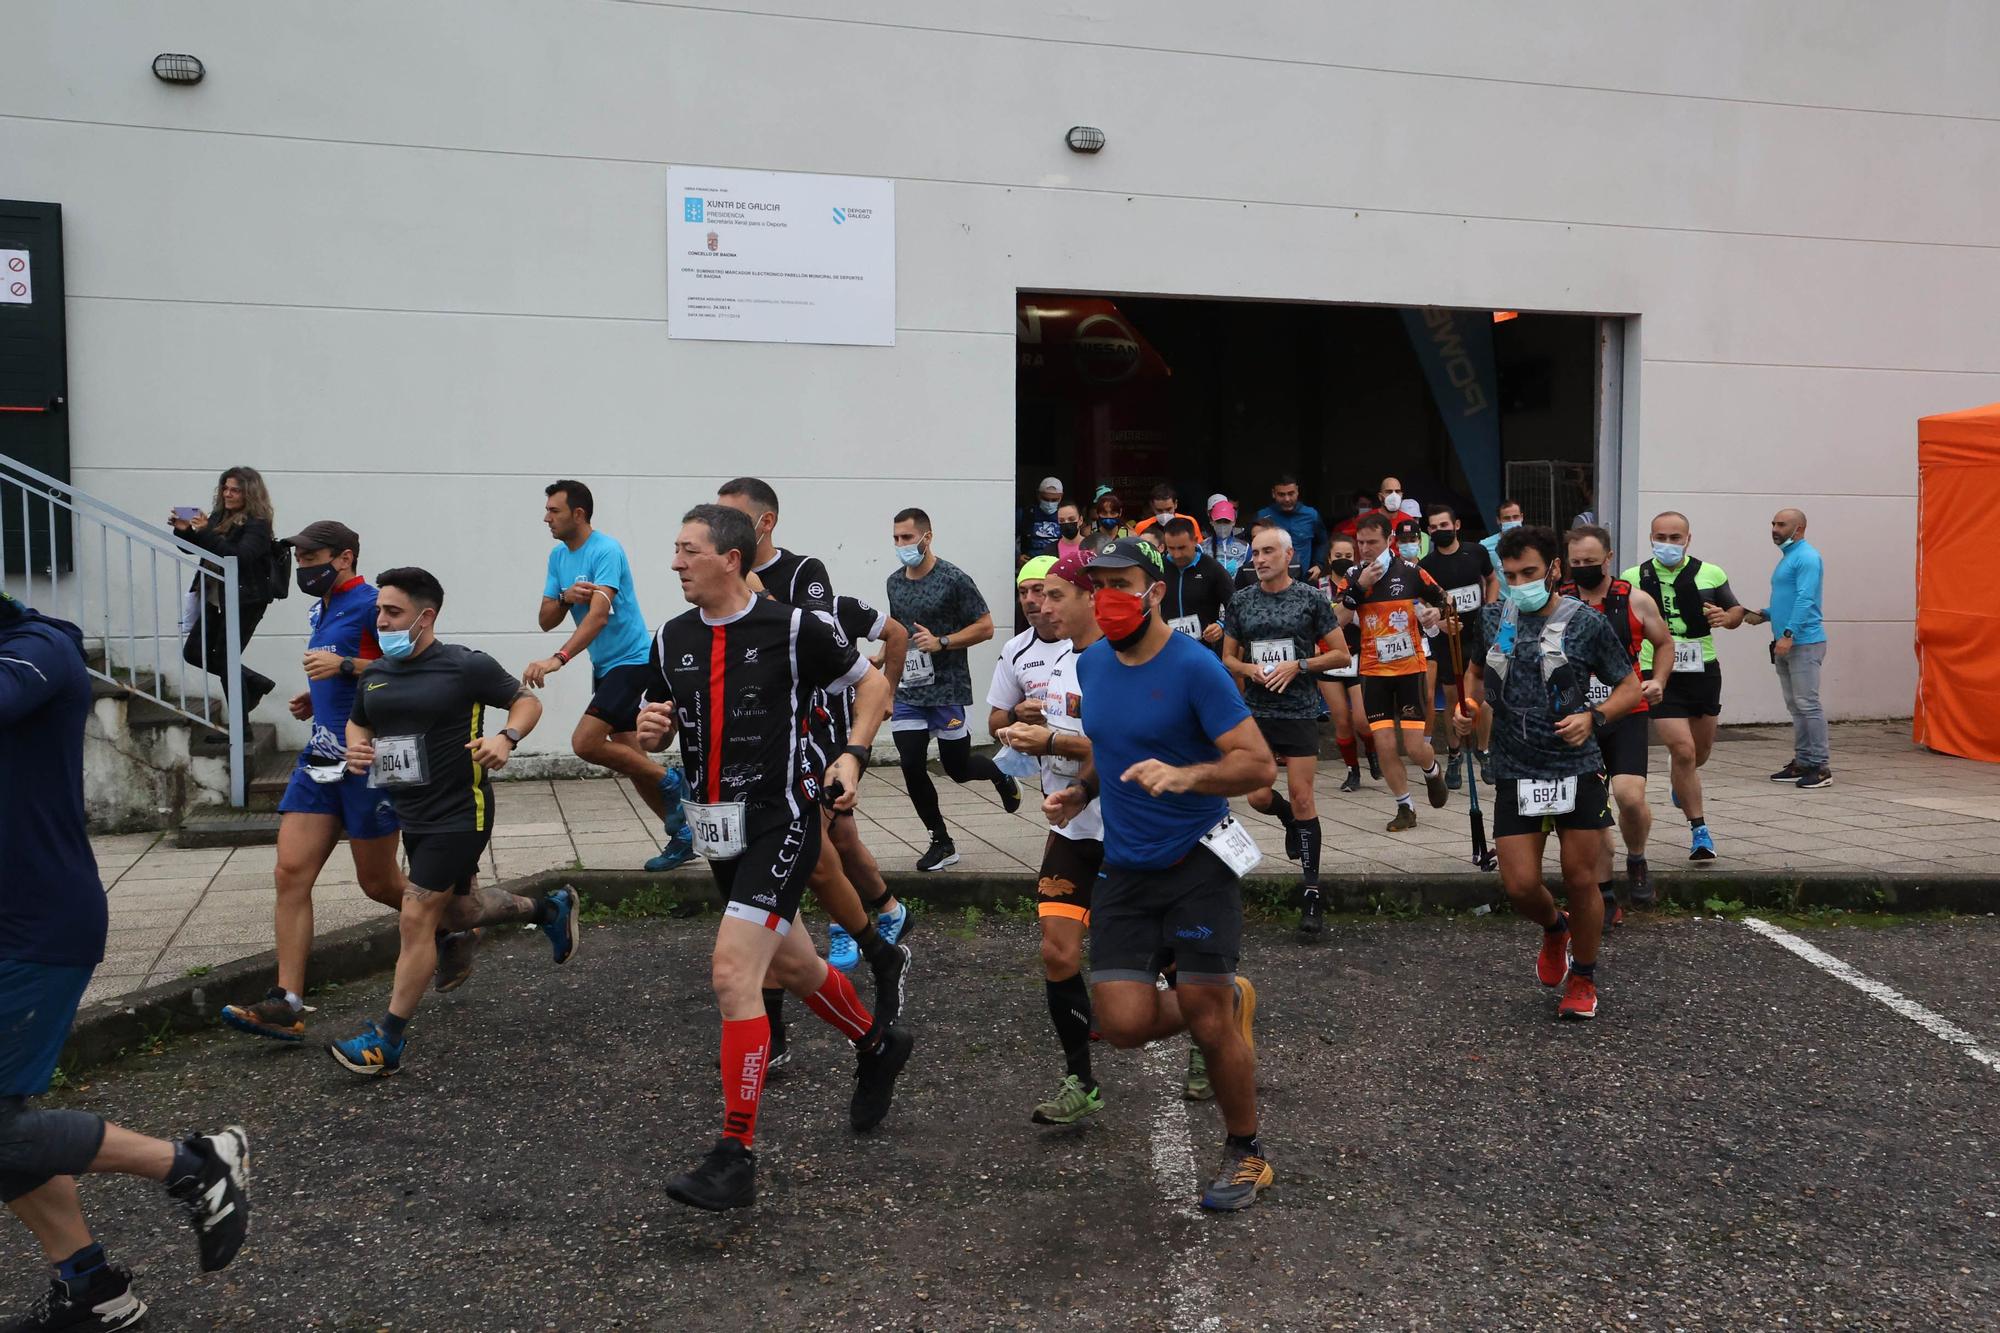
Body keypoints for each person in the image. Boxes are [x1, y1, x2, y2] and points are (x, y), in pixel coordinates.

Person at [634, 505, 910, 1211]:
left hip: (781, 822)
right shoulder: (672, 637)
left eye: (687, 550)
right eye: (674, 549)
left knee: (733, 974)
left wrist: (851, 755)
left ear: (730, 557)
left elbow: (872, 685)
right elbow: (657, 725)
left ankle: (736, 1153)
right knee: (793, 964)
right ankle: (877, 1045)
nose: (674, 563)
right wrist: (652, 727)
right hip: (717, 828)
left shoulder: (795, 628)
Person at [1, 590, 252, 1329]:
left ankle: (196, 1162)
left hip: (36, 924)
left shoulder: (41, 647)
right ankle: (92, 1287)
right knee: (5, 1125)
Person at [1044, 537, 1276, 1211]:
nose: (1107, 593)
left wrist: (1188, 775)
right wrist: (1081, 793)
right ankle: (1232, 998)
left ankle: (1246, 1151)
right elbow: (1113, 745)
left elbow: (1257, 764)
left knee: (1205, 1016)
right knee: (1119, 1022)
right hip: (1126, 868)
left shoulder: (1195, 666)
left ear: (1152, 591)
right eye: (1099, 582)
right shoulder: (1091, 665)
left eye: (1122, 580)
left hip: (1198, 859)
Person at [329, 567, 581, 1075]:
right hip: (412, 814)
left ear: (426, 617)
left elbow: (526, 701)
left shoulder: (465, 666)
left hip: (461, 812)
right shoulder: (377, 673)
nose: (382, 620)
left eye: (393, 612)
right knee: (460, 912)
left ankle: (387, 1040)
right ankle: (550, 909)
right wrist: (356, 742)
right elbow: (361, 717)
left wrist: (505, 738)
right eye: (380, 611)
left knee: (416, 914)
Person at [220, 521, 411, 1042]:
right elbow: (344, 675)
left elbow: (407, 667)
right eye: (300, 560)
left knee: (380, 885)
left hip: (366, 761)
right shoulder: (322, 605)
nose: (303, 567)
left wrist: (344, 666)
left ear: (344, 557)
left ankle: (459, 919)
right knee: (290, 872)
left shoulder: (376, 604)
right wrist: (317, 699)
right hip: (320, 759)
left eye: (312, 558)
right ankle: (287, 1001)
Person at [1453, 526, 1641, 1021]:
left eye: (1530, 573)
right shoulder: (1493, 618)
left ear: (1555, 570)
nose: (1519, 583)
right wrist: (1468, 707)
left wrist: (1594, 718)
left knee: (1582, 878)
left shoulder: (1587, 623)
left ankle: (1584, 977)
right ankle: (1555, 928)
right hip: (1515, 768)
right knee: (1517, 885)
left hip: (1575, 766)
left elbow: (1630, 686)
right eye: (1510, 575)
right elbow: (1475, 674)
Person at [990, 552, 1107, 1125]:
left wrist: (1054, 743)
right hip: (1075, 828)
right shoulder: (1055, 661)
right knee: (1057, 952)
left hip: (1134, 830)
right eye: (1037, 594)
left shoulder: (1119, 661)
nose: (1041, 604)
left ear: (1090, 596)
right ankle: (1080, 1078)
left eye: (1056, 594)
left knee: (1164, 960)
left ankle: (1206, 1038)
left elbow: (1124, 746)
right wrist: (1029, 726)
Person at [522, 481, 684, 869]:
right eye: (546, 510)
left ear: (578, 514)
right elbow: (545, 619)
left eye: (554, 511)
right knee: (631, 760)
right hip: (606, 667)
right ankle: (683, 836)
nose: (546, 518)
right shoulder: (558, 557)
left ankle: (673, 780)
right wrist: (565, 597)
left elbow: (598, 615)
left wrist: (557, 660)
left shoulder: (606, 550)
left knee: (585, 742)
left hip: (633, 663)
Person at [1222, 526, 1345, 935]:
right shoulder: (1241, 601)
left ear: (1288, 554)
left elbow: (1341, 653)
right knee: (1258, 796)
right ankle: (1288, 821)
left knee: (1303, 795)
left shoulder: (1311, 598)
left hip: (1299, 709)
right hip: (1257, 710)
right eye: (1255, 553)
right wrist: (1248, 669)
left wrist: (1301, 665)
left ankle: (1311, 893)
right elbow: (1228, 659)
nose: (1259, 559)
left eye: (1268, 552)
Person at [886, 507, 1020, 871]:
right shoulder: (894, 582)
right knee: (911, 763)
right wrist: (880, 661)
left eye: (907, 538)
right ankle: (941, 840)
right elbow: (899, 634)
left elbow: (986, 626)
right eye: (896, 538)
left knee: (956, 768)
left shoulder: (954, 579)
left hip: (947, 688)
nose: (900, 545)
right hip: (910, 691)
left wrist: (943, 641)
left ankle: (998, 773)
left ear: (927, 538)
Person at [1560, 526, 1673, 917]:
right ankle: (1603, 893)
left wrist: (1658, 680)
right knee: (1591, 810)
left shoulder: (1635, 600)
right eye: (1576, 564)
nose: (1583, 569)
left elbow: (1665, 643)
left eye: (1590, 562)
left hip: (1626, 712)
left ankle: (1637, 858)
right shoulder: (1560, 602)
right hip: (1577, 717)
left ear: (1609, 558)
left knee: (1628, 796)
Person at [1620, 512, 1746, 861]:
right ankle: (1700, 831)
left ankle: (1682, 786)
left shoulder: (1711, 573)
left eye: (1675, 538)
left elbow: (1736, 610)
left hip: (1702, 668)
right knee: (1683, 750)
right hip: (1656, 672)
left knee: (1699, 753)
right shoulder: (1634, 577)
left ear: (1688, 539)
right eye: (1661, 537)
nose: (1668, 544)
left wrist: (1727, 618)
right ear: (1650, 537)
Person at [1341, 514, 1450, 830]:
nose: (1365, 549)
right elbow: (1337, 620)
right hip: (1374, 671)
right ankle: (1405, 808)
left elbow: (1446, 600)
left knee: (1414, 746)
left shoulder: (1410, 571)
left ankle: (1431, 771)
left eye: (1372, 542)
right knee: (1385, 744)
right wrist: (1358, 590)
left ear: (1389, 540)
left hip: (1409, 669)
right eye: (1360, 543)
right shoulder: (1354, 576)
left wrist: (1435, 611)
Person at [170, 465, 279, 726]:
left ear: (249, 494)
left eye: (235, 490)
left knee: (226, 662)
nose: (228, 494)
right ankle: (254, 682)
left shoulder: (258, 524)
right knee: (194, 652)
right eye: (225, 488)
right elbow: (203, 550)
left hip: (244, 601)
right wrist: (184, 530)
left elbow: (238, 557)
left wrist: (206, 530)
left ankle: (241, 732)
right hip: (214, 597)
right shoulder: (219, 516)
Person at [1745, 508, 1830, 789]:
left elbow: (1806, 599)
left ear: (1799, 528)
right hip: (1787, 640)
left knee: (1808, 704)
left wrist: (1789, 634)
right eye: (1773, 523)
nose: (1774, 528)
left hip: (1803, 642)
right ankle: (1803, 761)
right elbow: (1788, 599)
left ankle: (1820, 767)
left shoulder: (1806, 557)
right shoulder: (1789, 558)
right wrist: (1765, 613)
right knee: (1796, 706)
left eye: (1781, 524)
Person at [1419, 503, 1498, 790]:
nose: (1440, 530)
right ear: (1428, 530)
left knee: (1483, 697)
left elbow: (1491, 580)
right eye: (1434, 527)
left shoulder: (1476, 552)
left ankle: (1483, 750)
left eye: (1444, 525)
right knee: (1453, 699)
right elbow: (1424, 602)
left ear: (1457, 525)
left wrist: (1489, 610)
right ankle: (1454, 754)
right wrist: (1440, 621)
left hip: (1479, 636)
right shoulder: (1426, 566)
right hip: (1448, 640)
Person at [1319, 534, 1378, 792]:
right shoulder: (1318, 586)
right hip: (1328, 659)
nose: (1342, 561)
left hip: (1358, 655)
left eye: (1347, 556)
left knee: (1363, 720)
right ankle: (1352, 770)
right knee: (1342, 721)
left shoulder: (1362, 582)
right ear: (1329, 559)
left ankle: (1372, 751)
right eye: (1337, 556)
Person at [1160, 517, 1233, 654]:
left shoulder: (1212, 568)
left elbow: (1236, 605)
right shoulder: (1159, 568)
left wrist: (1221, 625)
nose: (1176, 554)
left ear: (1194, 540)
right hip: (1168, 647)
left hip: (1205, 649)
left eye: (1182, 548)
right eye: (1171, 548)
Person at [1256, 475, 1329, 581]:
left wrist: (1318, 564)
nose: (1287, 499)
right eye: (1281, 494)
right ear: (1273, 493)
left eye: (1291, 493)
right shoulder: (1262, 517)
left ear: (1297, 491)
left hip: (1305, 580)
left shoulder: (1311, 515)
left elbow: (1322, 542)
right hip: (1271, 580)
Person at [1017, 476, 1065, 564]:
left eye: (1054, 500)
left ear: (1061, 497)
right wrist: (1017, 556)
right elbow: (1009, 538)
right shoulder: (1025, 513)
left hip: (1057, 564)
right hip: (1030, 563)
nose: (1050, 503)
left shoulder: (1066, 515)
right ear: (1038, 495)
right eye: (1046, 499)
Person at [1131, 483, 1203, 542]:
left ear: (1175, 504)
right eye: (1159, 510)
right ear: (1152, 506)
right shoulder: (1142, 526)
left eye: (1168, 509)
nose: (1164, 514)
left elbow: (1199, 548)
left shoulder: (1189, 522)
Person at [1200, 499, 1250, 577]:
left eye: (1226, 521)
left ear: (1234, 521)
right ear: (1211, 521)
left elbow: (1250, 574)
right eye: (1218, 521)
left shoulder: (1245, 548)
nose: (1222, 525)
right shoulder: (1202, 548)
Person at [1083, 486, 1132, 555]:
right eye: (1104, 513)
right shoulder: (1087, 533)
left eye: (1113, 513)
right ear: (1097, 512)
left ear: (1120, 512)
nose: (1108, 516)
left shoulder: (1130, 536)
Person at [1479, 497, 1526, 564]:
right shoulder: (1485, 546)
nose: (1512, 521)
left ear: (1521, 517)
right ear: (1498, 520)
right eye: (1507, 518)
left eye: (1515, 517)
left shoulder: (1533, 542)